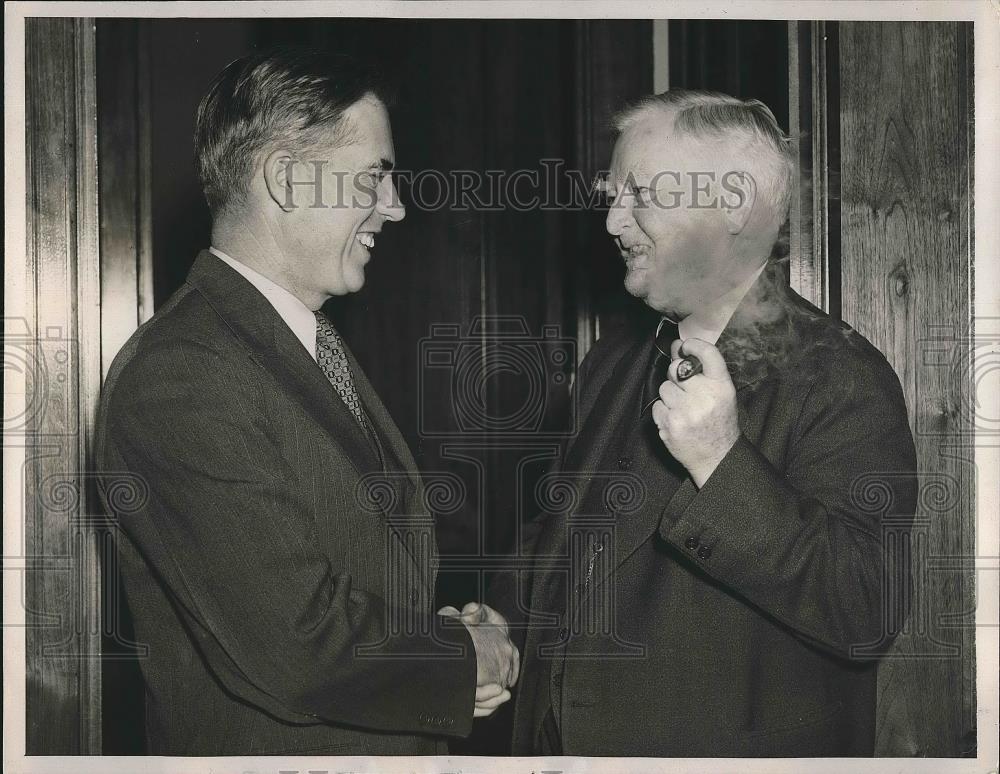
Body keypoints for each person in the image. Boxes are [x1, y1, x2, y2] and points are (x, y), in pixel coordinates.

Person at [94, 46, 517, 756]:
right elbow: (294, 639)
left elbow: (350, 571)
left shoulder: (297, 343)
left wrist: (436, 633)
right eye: (376, 178)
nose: (397, 206)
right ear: (288, 179)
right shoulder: (183, 373)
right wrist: (459, 656)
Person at [499, 90, 917, 756]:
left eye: (639, 194)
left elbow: (866, 611)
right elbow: (568, 539)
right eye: (612, 194)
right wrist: (499, 618)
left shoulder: (840, 374)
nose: (612, 220)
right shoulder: (615, 358)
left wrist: (721, 463)